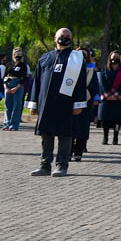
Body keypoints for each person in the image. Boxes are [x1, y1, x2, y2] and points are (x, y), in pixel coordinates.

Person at [27, 28, 89, 177]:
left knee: (65, 135)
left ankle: (62, 165)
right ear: (55, 38)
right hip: (46, 103)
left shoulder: (76, 58)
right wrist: (33, 103)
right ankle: (44, 165)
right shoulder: (45, 58)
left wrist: (79, 104)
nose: (65, 38)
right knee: (46, 135)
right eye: (62, 35)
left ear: (72, 39)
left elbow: (81, 83)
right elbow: (37, 82)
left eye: (68, 36)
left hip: (65, 103)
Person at [70, 48, 100, 162]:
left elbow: (95, 85)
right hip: (72, 101)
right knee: (70, 128)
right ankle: (68, 151)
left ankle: (78, 152)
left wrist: (96, 98)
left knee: (83, 128)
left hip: (86, 101)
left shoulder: (91, 70)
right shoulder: (70, 69)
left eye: (84, 55)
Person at [97, 51, 121, 145]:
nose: (115, 58)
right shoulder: (104, 69)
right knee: (105, 119)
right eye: (113, 57)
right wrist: (108, 95)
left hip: (118, 99)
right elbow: (102, 83)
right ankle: (105, 136)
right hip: (106, 98)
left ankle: (115, 137)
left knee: (117, 120)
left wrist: (116, 95)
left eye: (117, 57)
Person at [3, 48, 28, 131]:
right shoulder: (9, 64)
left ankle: (13, 125)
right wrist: (6, 87)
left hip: (18, 85)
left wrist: (16, 88)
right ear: (13, 55)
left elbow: (24, 78)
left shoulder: (23, 65)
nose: (17, 56)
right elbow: (4, 77)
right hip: (8, 84)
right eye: (16, 54)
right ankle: (6, 124)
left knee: (16, 106)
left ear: (22, 55)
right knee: (7, 105)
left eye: (19, 54)